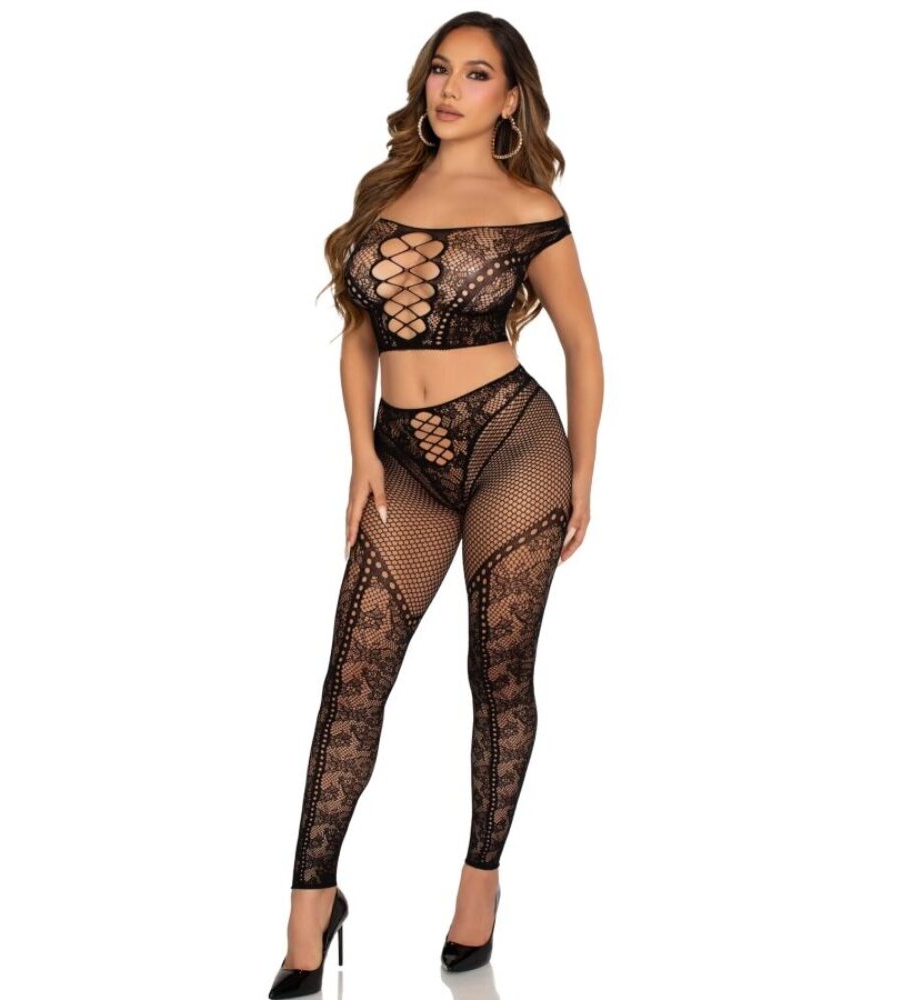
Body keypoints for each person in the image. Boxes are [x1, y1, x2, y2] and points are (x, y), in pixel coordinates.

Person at [269, 12, 603, 998]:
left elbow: (583, 346)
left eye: (477, 74)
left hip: (514, 446)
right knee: (353, 675)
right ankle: (309, 907)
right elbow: (359, 334)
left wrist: (584, 474)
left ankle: (479, 886)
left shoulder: (531, 207)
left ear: (511, 98)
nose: (450, 88)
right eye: (440, 70)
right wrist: (358, 454)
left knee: (498, 672)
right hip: (403, 458)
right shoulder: (385, 196)